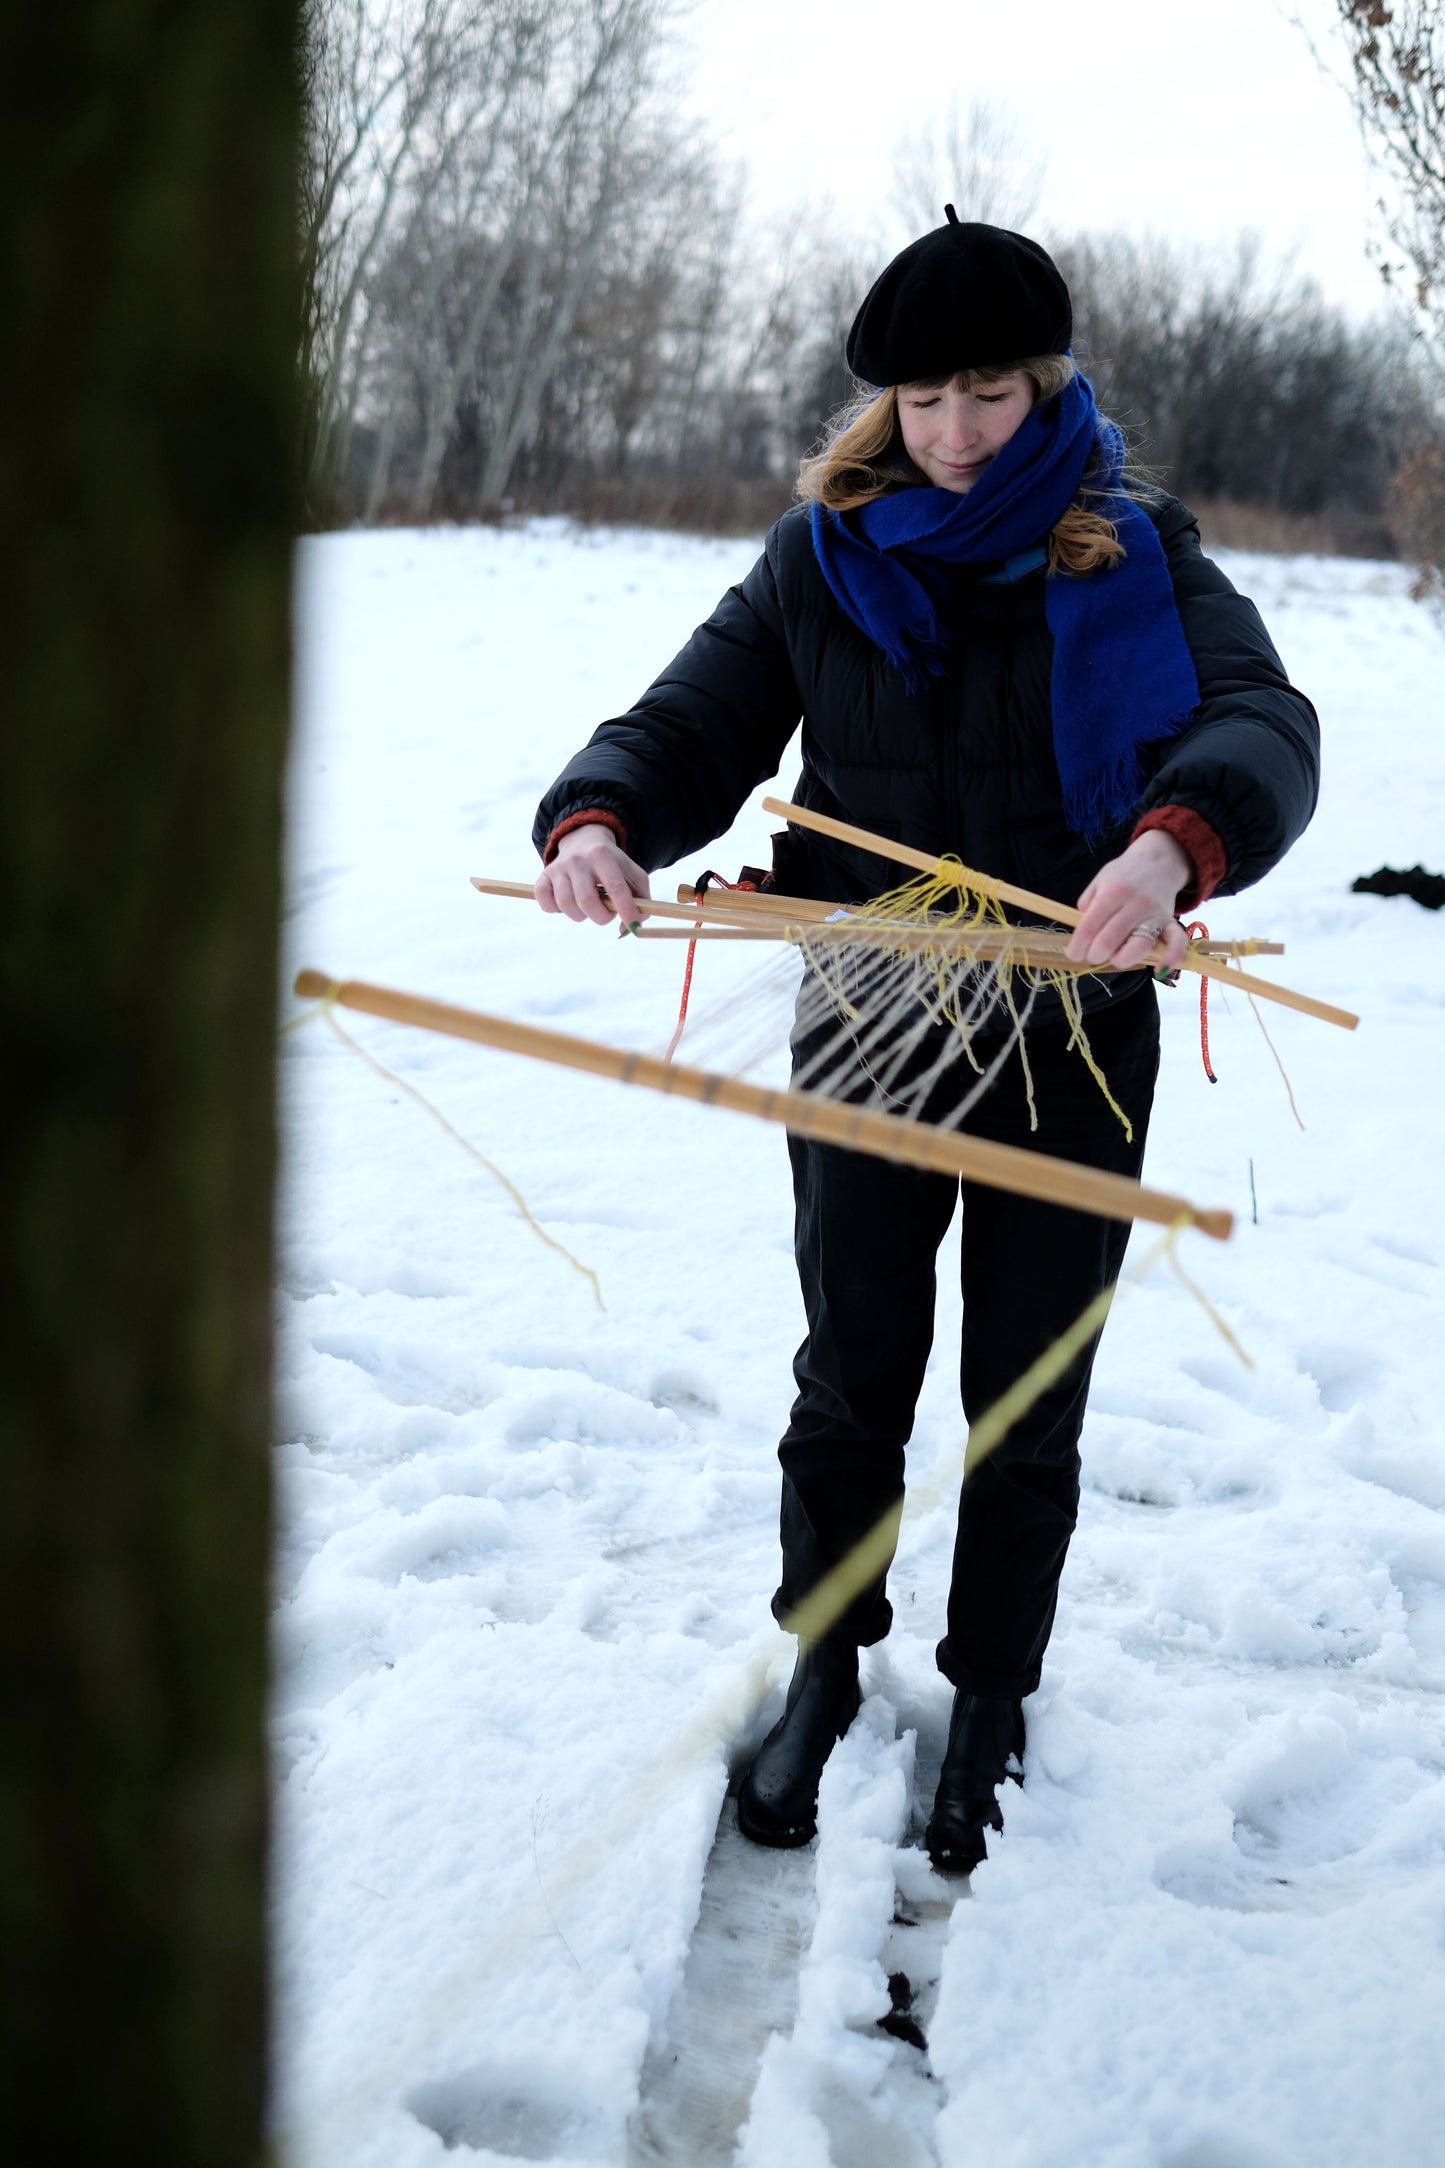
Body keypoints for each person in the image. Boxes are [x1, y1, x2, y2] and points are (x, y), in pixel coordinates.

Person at [531, 214, 1319, 1874]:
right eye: (920, 398)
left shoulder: (1135, 546)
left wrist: (1173, 840)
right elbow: (693, 720)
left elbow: (1263, 720)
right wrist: (601, 815)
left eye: (985, 392)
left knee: (1025, 1389)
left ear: (1043, 386)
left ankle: (994, 1693)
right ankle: (824, 1661)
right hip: (875, 1015)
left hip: (1072, 1026)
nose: (952, 431)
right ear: (878, 402)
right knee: (850, 1374)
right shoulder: (820, 554)